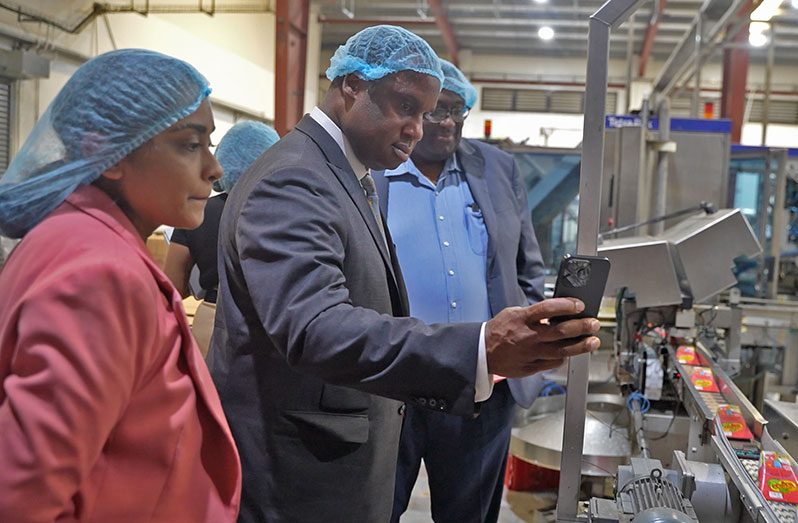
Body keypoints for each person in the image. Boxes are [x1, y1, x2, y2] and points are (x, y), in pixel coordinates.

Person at [208, 25, 600, 522]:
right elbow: (314, 327)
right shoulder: (296, 178)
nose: (418, 128)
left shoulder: (344, 172)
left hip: (363, 426)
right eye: (406, 107)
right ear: (351, 87)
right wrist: (478, 347)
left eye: (429, 111)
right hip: (300, 472)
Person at [0, 49, 241, 521]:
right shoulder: (98, 274)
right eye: (190, 145)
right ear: (105, 153)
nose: (214, 169)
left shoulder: (74, 234)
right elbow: (24, 496)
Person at [373, 59, 544, 522]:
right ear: (412, 110)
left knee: (469, 514)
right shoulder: (374, 173)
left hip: (482, 381)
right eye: (435, 111)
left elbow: (527, 267)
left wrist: (523, 341)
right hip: (393, 378)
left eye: (457, 110)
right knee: (374, 507)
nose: (447, 121)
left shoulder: (496, 169)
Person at [165, 120, 280, 357]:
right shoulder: (283, 214)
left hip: (210, 319)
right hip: (268, 326)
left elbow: (172, 287)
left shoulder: (197, 211)